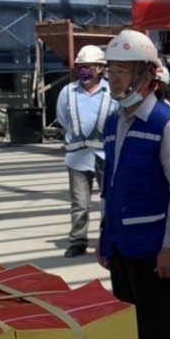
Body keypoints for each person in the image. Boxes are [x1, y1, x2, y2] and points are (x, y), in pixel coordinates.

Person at [97, 30, 170, 339]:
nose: (113, 78)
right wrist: (105, 237)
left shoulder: (165, 124)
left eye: (121, 71)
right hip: (121, 247)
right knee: (131, 336)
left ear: (147, 75)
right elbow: (110, 186)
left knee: (160, 335)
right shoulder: (114, 123)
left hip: (154, 252)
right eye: (110, 70)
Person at [55, 45, 112, 257]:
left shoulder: (110, 92)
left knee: (109, 200)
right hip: (77, 156)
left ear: (100, 68)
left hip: (105, 155)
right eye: (80, 66)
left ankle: (108, 238)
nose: (83, 70)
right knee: (79, 203)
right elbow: (62, 118)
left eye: (88, 66)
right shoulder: (68, 92)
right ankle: (78, 241)